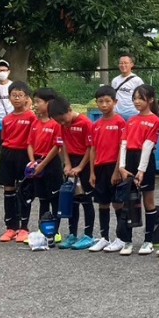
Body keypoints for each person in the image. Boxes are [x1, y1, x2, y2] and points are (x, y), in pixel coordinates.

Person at [123, 84, 159, 254]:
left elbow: (147, 146)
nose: (137, 101)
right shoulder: (131, 120)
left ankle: (148, 240)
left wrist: (141, 171)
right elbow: (124, 143)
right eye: (135, 98)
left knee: (148, 201)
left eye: (141, 98)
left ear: (151, 99)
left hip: (145, 161)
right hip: (130, 159)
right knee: (128, 200)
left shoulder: (156, 120)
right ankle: (127, 241)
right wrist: (122, 167)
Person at [88, 86, 128, 251]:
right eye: (100, 101)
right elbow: (93, 149)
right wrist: (92, 172)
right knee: (102, 203)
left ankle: (121, 238)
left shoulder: (120, 122)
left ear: (115, 102)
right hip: (100, 167)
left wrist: (117, 170)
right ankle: (104, 237)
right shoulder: (96, 125)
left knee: (117, 203)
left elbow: (122, 147)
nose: (104, 105)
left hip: (114, 166)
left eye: (107, 101)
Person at [0, 82, 36, 242]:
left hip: (24, 154)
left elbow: (33, 139)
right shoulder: (7, 119)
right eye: (14, 95)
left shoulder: (31, 117)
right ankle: (11, 227)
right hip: (8, 154)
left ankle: (24, 227)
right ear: (9, 97)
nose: (17, 98)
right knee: (8, 190)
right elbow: (4, 138)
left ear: (27, 98)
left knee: (24, 191)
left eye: (20, 95)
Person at [57, 98, 96, 249]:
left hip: (84, 163)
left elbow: (90, 148)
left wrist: (80, 166)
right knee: (72, 200)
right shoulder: (63, 125)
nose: (62, 124)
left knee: (86, 200)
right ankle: (72, 234)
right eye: (59, 121)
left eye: (63, 120)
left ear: (69, 110)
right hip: (71, 162)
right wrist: (67, 164)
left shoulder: (85, 123)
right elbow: (64, 145)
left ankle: (88, 235)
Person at [27, 89, 66, 239]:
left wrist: (42, 164)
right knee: (42, 198)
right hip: (36, 163)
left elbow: (57, 146)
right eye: (34, 102)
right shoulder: (35, 123)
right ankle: (42, 229)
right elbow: (30, 143)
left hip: (51, 163)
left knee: (54, 198)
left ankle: (55, 230)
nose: (35, 105)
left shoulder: (56, 124)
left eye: (38, 102)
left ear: (48, 103)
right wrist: (32, 162)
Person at [110, 54, 146, 122]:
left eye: (126, 63)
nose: (123, 65)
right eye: (121, 63)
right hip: (117, 114)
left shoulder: (137, 80)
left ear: (131, 64)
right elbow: (112, 97)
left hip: (133, 113)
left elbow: (143, 97)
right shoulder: (115, 80)